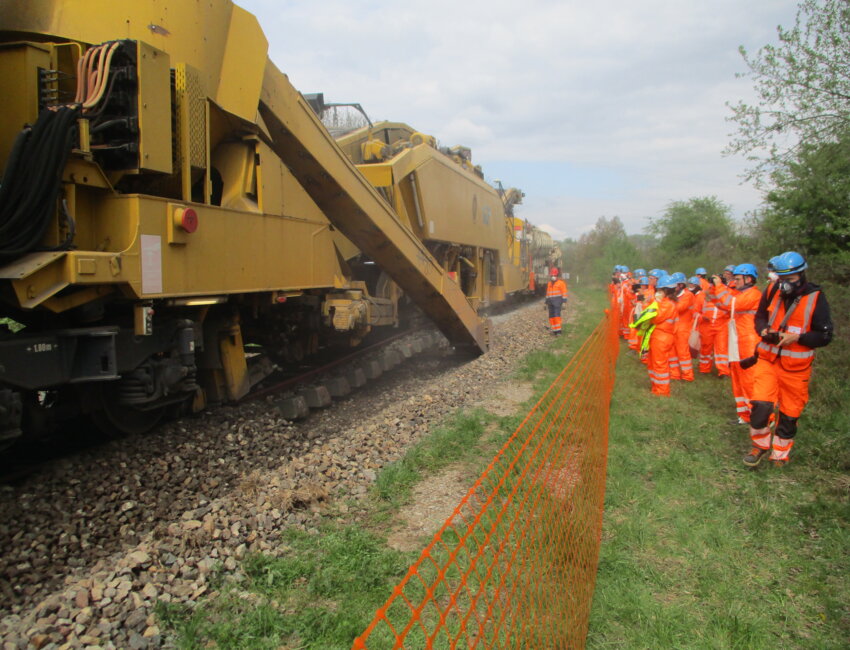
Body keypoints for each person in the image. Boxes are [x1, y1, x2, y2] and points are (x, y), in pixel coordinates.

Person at [743, 251, 833, 467]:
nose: (784, 285)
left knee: (789, 415)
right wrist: (763, 329)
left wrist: (799, 337)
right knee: (760, 407)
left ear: (801, 275)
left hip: (797, 369)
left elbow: (825, 336)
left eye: (789, 280)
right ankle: (760, 446)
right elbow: (760, 317)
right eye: (781, 279)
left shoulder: (816, 298)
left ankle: (780, 456)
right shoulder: (772, 289)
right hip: (767, 360)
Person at [721, 264, 762, 424]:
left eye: (737, 279)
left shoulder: (753, 294)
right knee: (738, 378)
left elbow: (730, 304)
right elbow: (722, 303)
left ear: (749, 279)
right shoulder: (740, 294)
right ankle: (744, 415)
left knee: (749, 380)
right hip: (739, 339)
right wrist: (715, 289)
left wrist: (719, 287)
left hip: (749, 341)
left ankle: (760, 416)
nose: (735, 282)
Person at [631, 274, 678, 396]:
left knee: (660, 364)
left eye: (660, 290)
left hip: (662, 337)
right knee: (653, 363)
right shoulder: (664, 303)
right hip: (657, 336)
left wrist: (651, 303)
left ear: (666, 291)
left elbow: (655, 317)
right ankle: (656, 387)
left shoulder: (667, 304)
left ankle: (662, 391)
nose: (658, 292)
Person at [669, 272, 695, 381]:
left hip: (683, 328)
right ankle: (674, 374)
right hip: (673, 327)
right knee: (672, 352)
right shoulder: (673, 296)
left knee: (683, 352)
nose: (673, 288)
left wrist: (667, 303)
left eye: (675, 285)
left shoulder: (688, 295)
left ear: (681, 285)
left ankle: (687, 375)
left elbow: (679, 308)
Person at [545, 267, 568, 335]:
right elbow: (547, 294)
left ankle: (559, 331)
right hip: (550, 302)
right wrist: (545, 303)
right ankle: (555, 330)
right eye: (552, 275)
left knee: (556, 316)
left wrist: (564, 302)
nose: (553, 277)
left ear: (557, 276)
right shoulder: (549, 284)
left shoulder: (561, 283)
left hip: (557, 302)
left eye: (554, 275)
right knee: (551, 317)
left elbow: (564, 293)